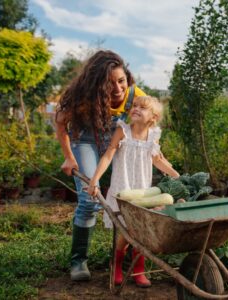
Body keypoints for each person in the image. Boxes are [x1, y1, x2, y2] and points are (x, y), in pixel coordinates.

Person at [55, 50, 147, 282]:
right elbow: (60, 122)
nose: (117, 89)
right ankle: (78, 261)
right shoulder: (83, 97)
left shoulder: (136, 96)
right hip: (85, 140)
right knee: (89, 200)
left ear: (127, 77)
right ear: (97, 83)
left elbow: (148, 122)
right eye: (109, 83)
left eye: (121, 81)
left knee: (131, 197)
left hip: (115, 141)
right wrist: (68, 156)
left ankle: (123, 258)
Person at [87, 95, 180, 287]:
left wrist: (176, 175)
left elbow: (157, 160)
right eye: (135, 106)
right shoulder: (123, 131)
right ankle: (117, 265)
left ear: (153, 118)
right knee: (126, 232)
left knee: (141, 230)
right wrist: (94, 180)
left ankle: (139, 271)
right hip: (123, 189)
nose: (136, 108)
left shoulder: (153, 135)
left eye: (142, 108)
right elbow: (108, 155)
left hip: (142, 192)